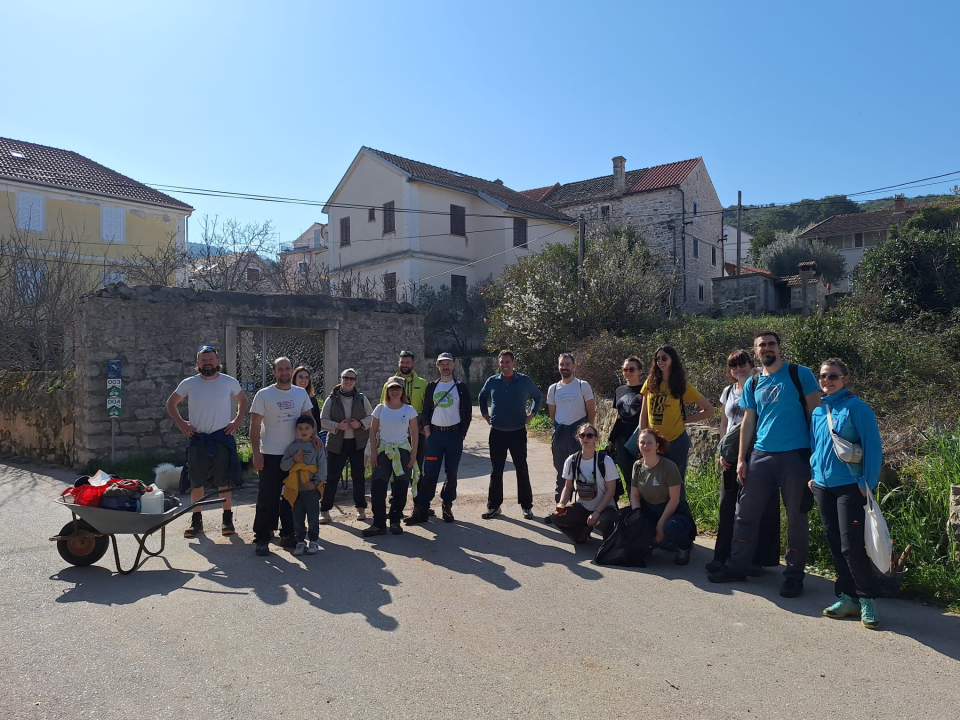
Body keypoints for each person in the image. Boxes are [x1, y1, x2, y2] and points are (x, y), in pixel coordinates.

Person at [708, 331, 821, 598]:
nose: (767, 348)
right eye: (762, 345)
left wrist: (815, 460)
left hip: (795, 456)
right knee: (744, 514)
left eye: (771, 344)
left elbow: (816, 417)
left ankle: (794, 576)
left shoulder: (800, 374)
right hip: (760, 455)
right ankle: (737, 566)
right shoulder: (754, 382)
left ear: (779, 348)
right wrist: (740, 460)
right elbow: (748, 422)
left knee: (796, 518)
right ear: (756, 351)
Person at [810, 358, 884, 629]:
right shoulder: (819, 411)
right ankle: (848, 596)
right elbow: (815, 446)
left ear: (846, 379)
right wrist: (813, 473)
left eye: (833, 376)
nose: (827, 381)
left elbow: (873, 446)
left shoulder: (857, 407)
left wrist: (869, 480)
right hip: (822, 486)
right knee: (835, 544)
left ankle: (867, 600)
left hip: (851, 486)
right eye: (823, 376)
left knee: (851, 545)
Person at [705, 349, 781, 574]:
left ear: (751, 364)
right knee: (727, 505)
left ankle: (758, 560)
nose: (738, 369)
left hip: (757, 452)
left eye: (742, 364)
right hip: (731, 455)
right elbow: (724, 423)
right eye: (733, 365)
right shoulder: (728, 391)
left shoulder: (761, 387)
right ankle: (722, 556)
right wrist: (722, 451)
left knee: (759, 506)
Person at [166, 345, 248, 539]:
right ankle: (196, 522)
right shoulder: (189, 383)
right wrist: (181, 423)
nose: (208, 362)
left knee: (224, 480)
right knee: (197, 481)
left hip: (222, 437)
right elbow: (171, 403)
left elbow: (243, 402)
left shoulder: (229, 382)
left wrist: (237, 421)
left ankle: (227, 521)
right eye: (203, 360)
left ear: (218, 362)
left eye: (211, 359)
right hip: (198, 438)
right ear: (198, 364)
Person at [250, 357, 321, 557]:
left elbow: (309, 418)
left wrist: (314, 437)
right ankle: (262, 537)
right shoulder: (264, 394)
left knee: (292, 496)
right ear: (274, 372)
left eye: (287, 368)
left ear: (291, 371)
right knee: (268, 497)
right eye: (280, 369)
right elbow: (254, 425)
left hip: (296, 454)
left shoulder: (300, 394)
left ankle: (289, 534)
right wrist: (256, 453)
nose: (284, 372)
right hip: (271, 454)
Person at [627, 345, 713, 480]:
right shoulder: (650, 383)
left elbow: (708, 410)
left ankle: (679, 502)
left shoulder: (682, 385)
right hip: (653, 441)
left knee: (675, 482)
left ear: (672, 359)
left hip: (676, 441)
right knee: (653, 480)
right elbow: (644, 415)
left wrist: (684, 420)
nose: (660, 361)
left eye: (664, 358)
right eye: (657, 359)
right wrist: (642, 440)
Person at [405, 353, 473, 525]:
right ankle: (422, 508)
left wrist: (461, 434)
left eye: (448, 363)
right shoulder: (432, 387)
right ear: (437, 366)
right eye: (442, 364)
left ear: (453, 364)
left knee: (452, 472)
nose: (445, 367)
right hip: (435, 436)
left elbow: (467, 414)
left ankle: (447, 505)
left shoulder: (461, 387)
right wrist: (428, 432)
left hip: (454, 436)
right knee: (430, 472)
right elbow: (426, 411)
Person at [478, 350, 543, 520]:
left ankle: (526, 506)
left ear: (513, 362)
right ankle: (494, 506)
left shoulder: (524, 380)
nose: (505, 365)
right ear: (499, 364)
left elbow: (538, 397)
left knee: (521, 468)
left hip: (517, 432)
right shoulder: (492, 381)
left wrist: (532, 415)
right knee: (496, 470)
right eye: (502, 362)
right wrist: (485, 415)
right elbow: (481, 396)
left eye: (507, 362)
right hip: (497, 432)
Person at [631, 428, 696, 565]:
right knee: (627, 520)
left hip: (673, 513)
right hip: (649, 510)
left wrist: (660, 525)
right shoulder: (637, 466)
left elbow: (674, 500)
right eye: (642, 442)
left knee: (671, 527)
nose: (646, 446)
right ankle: (657, 542)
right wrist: (637, 517)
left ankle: (684, 547)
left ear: (657, 445)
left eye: (649, 442)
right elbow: (635, 495)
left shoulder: (669, 467)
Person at [364, 376, 419, 537]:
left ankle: (395, 521)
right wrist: (374, 452)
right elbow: (373, 431)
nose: (395, 391)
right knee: (378, 488)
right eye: (392, 388)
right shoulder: (380, 409)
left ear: (402, 391)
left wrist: (414, 453)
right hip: (383, 451)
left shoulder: (409, 410)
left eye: (398, 388)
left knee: (401, 488)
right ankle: (379, 524)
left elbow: (414, 433)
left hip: (402, 451)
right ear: (387, 390)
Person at [319, 368, 373, 522]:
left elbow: (372, 416)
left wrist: (361, 423)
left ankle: (360, 509)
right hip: (337, 443)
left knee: (358, 477)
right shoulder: (331, 399)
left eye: (352, 379)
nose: (348, 381)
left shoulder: (362, 398)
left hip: (358, 443)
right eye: (346, 378)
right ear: (341, 379)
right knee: (332, 478)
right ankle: (324, 510)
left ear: (355, 381)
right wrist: (337, 426)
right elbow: (322, 420)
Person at [546, 353, 596, 513]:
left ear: (574, 366)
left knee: (583, 472)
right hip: (560, 435)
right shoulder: (553, 389)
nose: (564, 367)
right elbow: (553, 414)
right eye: (561, 364)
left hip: (580, 435)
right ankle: (560, 509)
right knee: (562, 473)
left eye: (567, 364)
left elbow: (591, 411)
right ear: (558, 367)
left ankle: (584, 510)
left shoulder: (583, 386)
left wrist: (588, 434)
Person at [551, 422, 618, 543]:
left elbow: (611, 490)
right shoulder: (572, 460)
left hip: (605, 507)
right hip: (583, 505)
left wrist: (597, 513)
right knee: (556, 517)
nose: (585, 438)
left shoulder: (605, 461)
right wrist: (561, 505)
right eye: (582, 435)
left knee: (602, 522)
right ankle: (582, 531)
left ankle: (609, 541)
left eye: (589, 435)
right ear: (578, 438)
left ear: (595, 439)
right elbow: (568, 486)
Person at [279, 415, 328, 557]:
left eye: (307, 428)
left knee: (313, 517)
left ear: (313, 430)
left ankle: (313, 541)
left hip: (311, 489)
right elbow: (283, 466)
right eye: (300, 429)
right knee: (297, 517)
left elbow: (323, 468)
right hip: (296, 490)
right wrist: (293, 460)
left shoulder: (317, 446)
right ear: (296, 430)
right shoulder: (292, 447)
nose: (304, 431)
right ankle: (300, 541)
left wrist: (316, 482)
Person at [381, 350, 428, 471]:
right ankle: (398, 490)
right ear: (398, 363)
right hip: (395, 430)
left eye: (408, 362)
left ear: (413, 364)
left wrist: (424, 426)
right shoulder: (388, 384)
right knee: (396, 464)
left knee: (416, 463)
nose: (405, 365)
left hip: (416, 430)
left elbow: (428, 407)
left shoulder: (423, 383)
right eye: (402, 362)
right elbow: (383, 405)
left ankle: (417, 489)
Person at [606, 356, 644, 498]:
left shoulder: (646, 389)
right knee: (628, 476)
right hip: (622, 438)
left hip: (639, 439)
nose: (628, 372)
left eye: (631, 369)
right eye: (625, 369)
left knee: (642, 475)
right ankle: (634, 511)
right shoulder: (619, 390)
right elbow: (618, 416)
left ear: (639, 371)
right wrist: (612, 440)